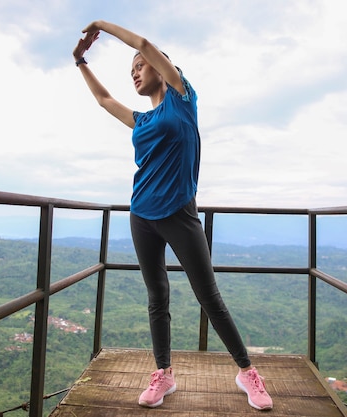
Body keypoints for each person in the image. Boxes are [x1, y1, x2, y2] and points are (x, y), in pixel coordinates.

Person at [72, 20, 273, 411]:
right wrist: (80, 61)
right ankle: (163, 374)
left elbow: (145, 43)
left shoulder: (182, 97)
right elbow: (103, 100)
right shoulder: (142, 120)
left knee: (209, 297)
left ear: (160, 67)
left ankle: (247, 371)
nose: (135, 72)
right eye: (131, 70)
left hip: (179, 214)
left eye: (140, 66)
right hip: (141, 214)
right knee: (156, 295)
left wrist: (100, 27)